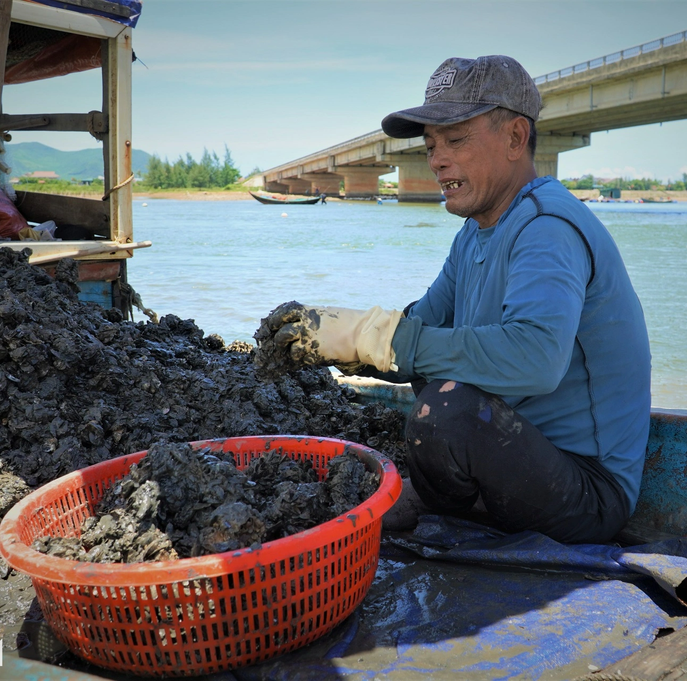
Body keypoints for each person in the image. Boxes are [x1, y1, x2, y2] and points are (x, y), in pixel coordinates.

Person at [262, 55, 651, 544]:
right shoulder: (474, 233)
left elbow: (536, 359)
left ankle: (447, 509)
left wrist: (375, 337)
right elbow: (420, 327)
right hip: (513, 456)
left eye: (456, 140)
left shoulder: (547, 227)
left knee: (448, 409)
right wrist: (336, 342)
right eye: (430, 146)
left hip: (588, 491)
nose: (437, 159)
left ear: (515, 138)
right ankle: (458, 506)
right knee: (431, 370)